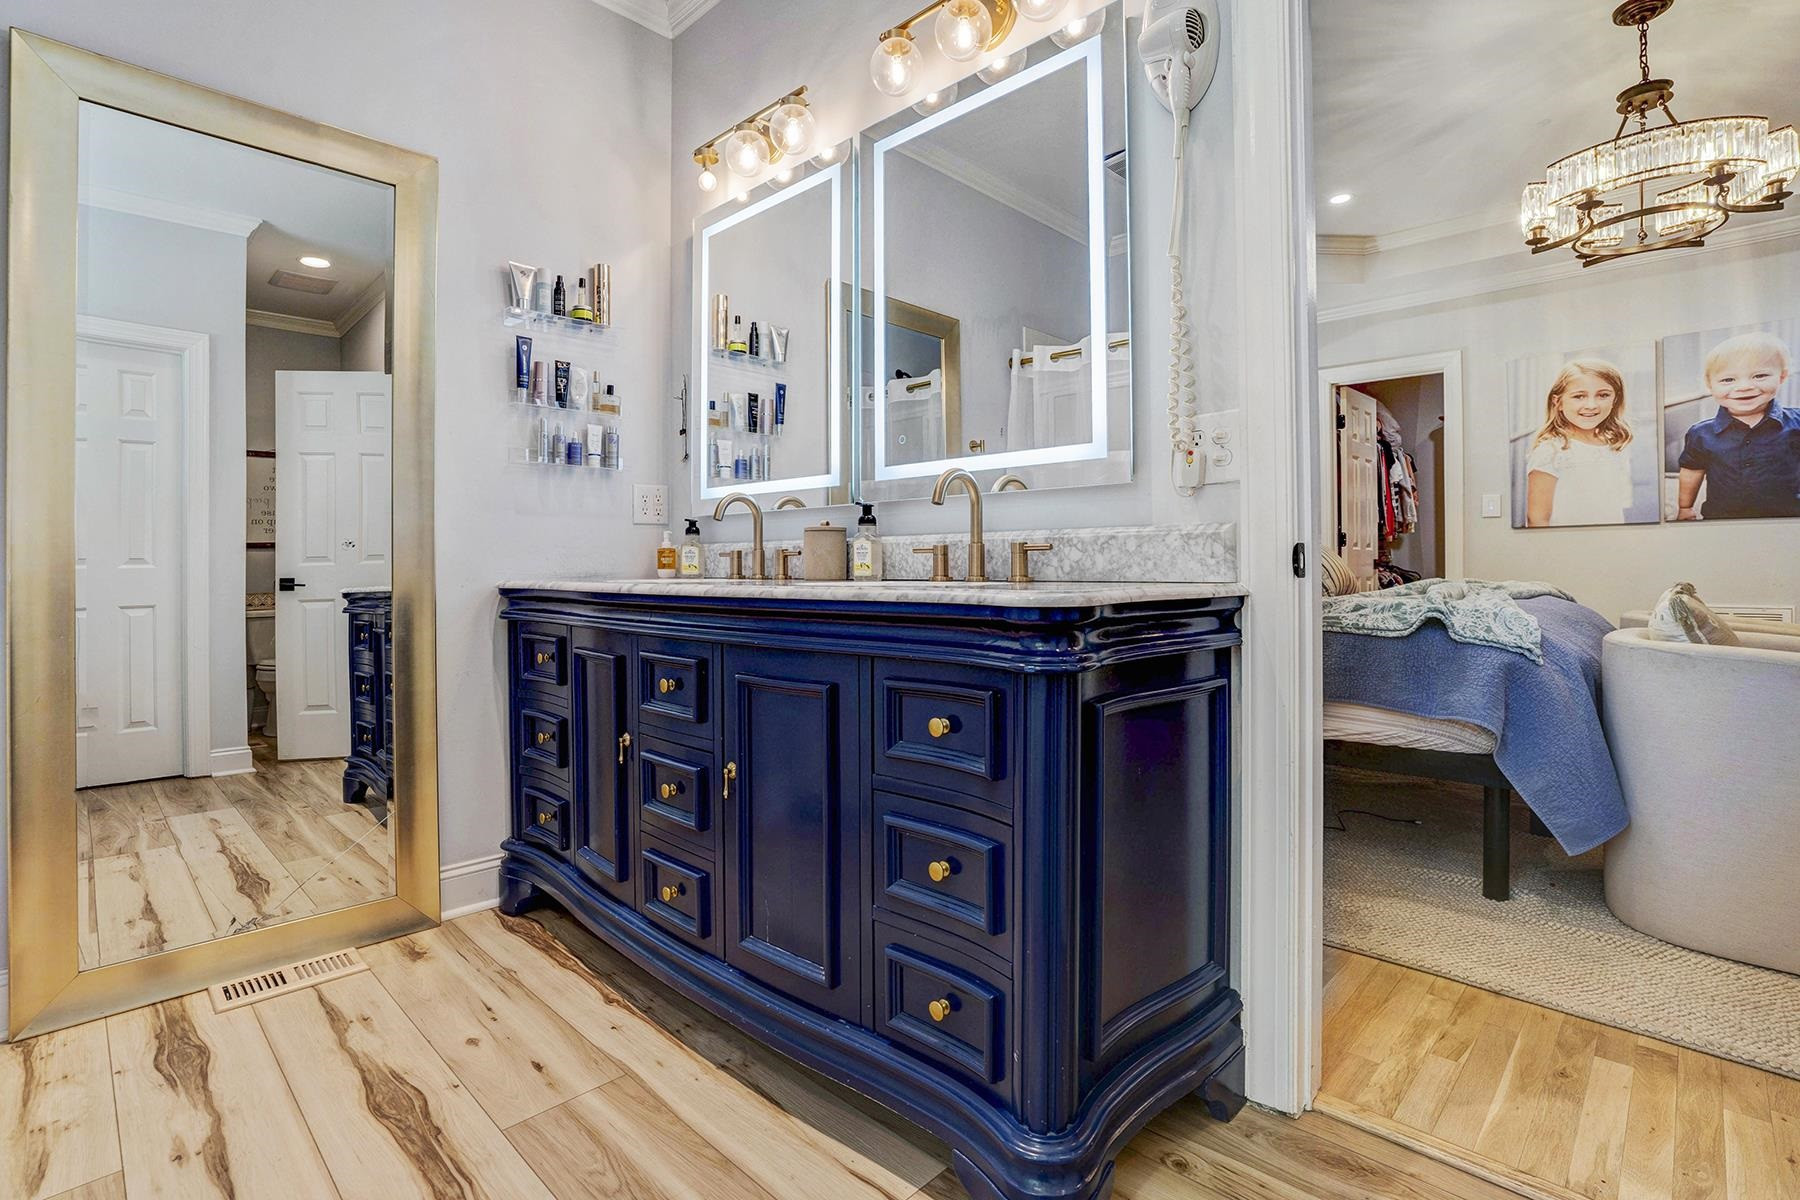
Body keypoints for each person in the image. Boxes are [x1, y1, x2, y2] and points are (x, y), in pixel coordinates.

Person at [1676, 331, 1800, 520]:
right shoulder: (1700, 433)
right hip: (1722, 520)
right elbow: (1692, 471)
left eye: (1759, 375)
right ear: (1709, 384)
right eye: (1728, 379)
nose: (1744, 387)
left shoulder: (1797, 423)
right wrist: (1685, 507)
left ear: (1782, 376)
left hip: (1787, 518)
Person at [1525, 358, 1635, 527]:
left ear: (1615, 400)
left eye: (1603, 395)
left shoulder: (1614, 445)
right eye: (1579, 396)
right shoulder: (1551, 452)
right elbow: (1537, 519)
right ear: (1558, 402)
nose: (1591, 405)